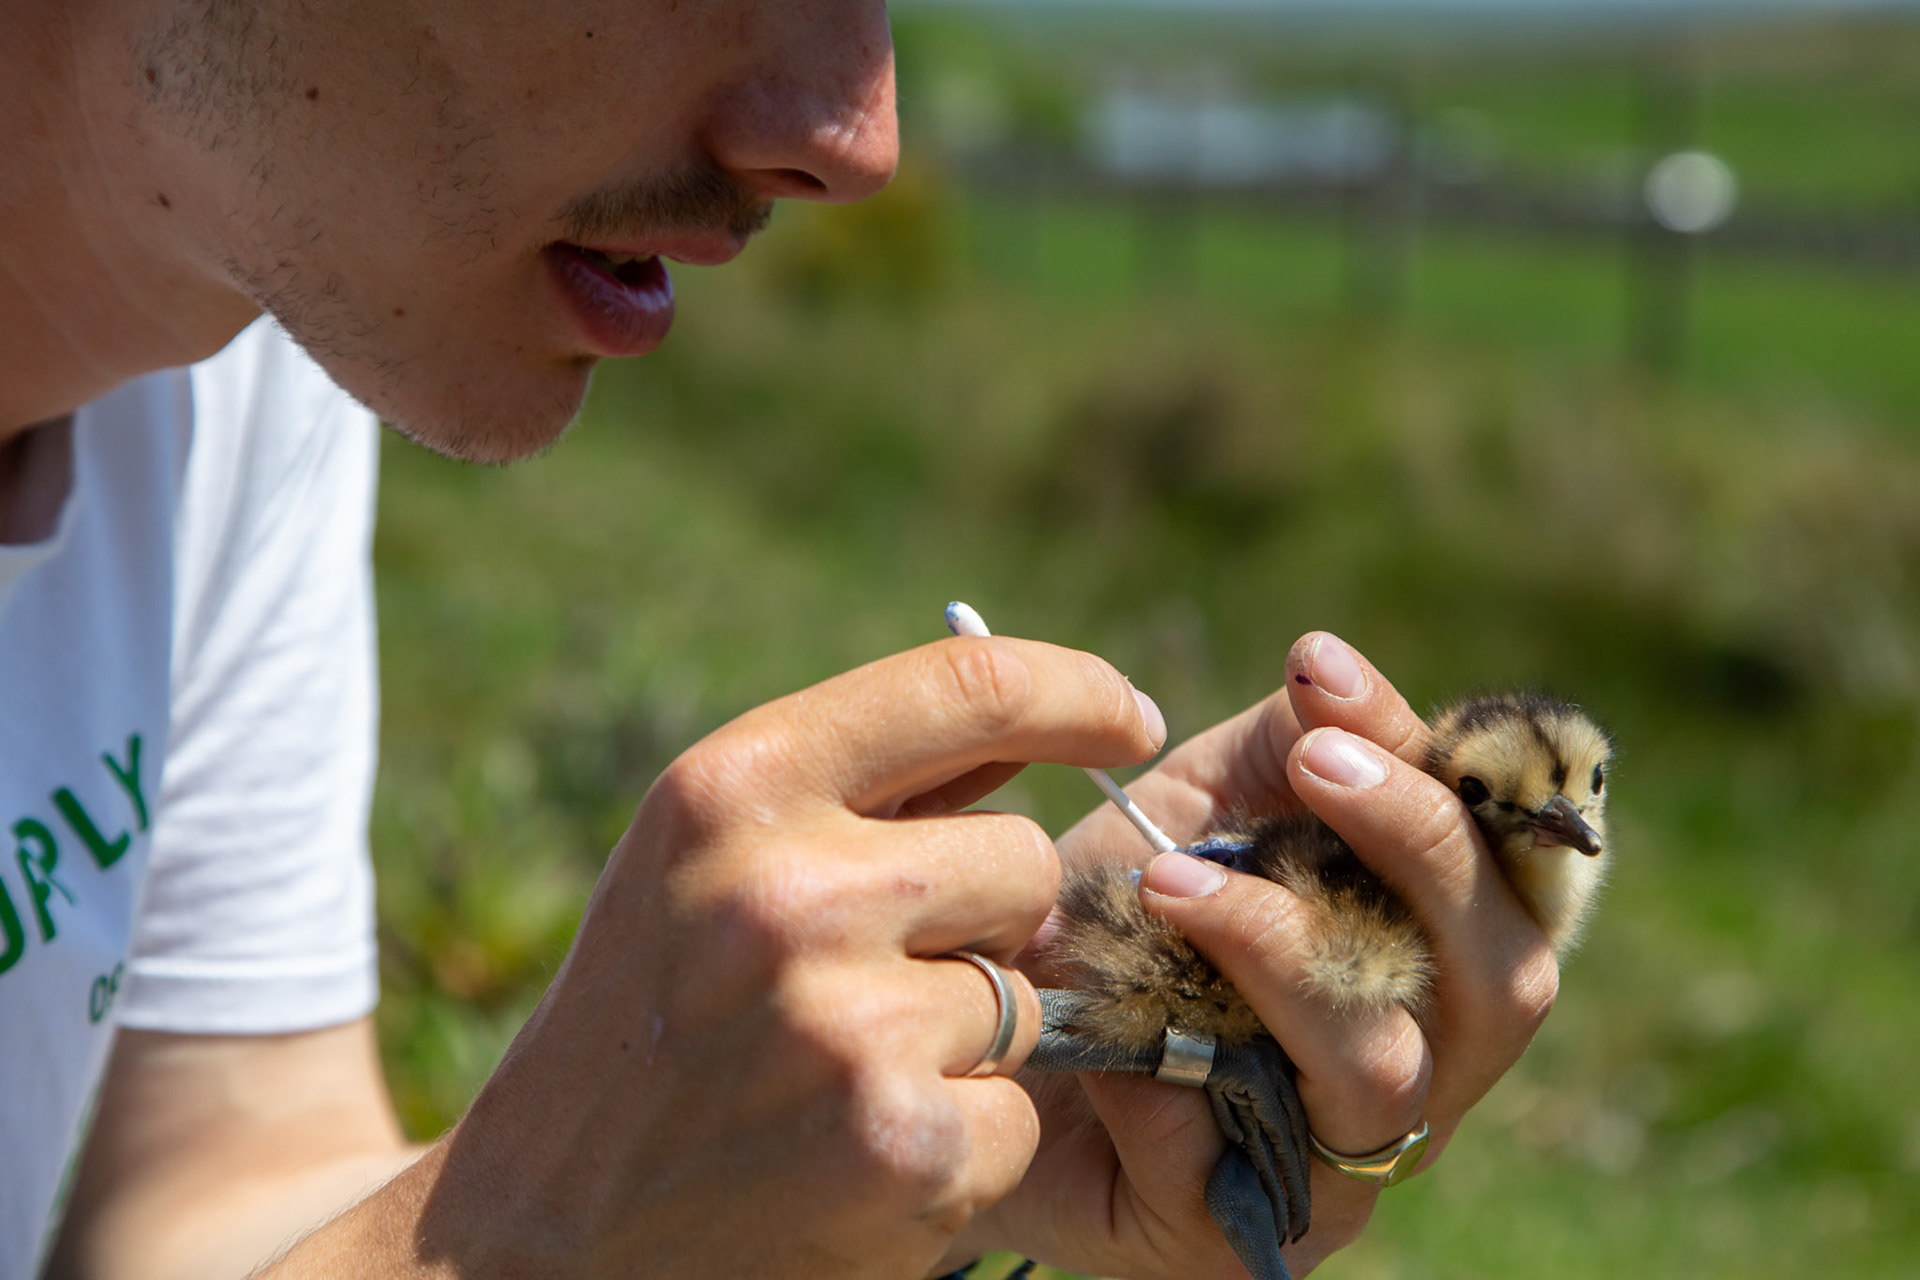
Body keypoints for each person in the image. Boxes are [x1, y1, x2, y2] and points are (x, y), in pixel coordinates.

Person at [0, 1, 1562, 1276]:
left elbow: (207, 1183)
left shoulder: (226, 361)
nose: (854, 135)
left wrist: (852, 1154)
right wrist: (512, 1252)